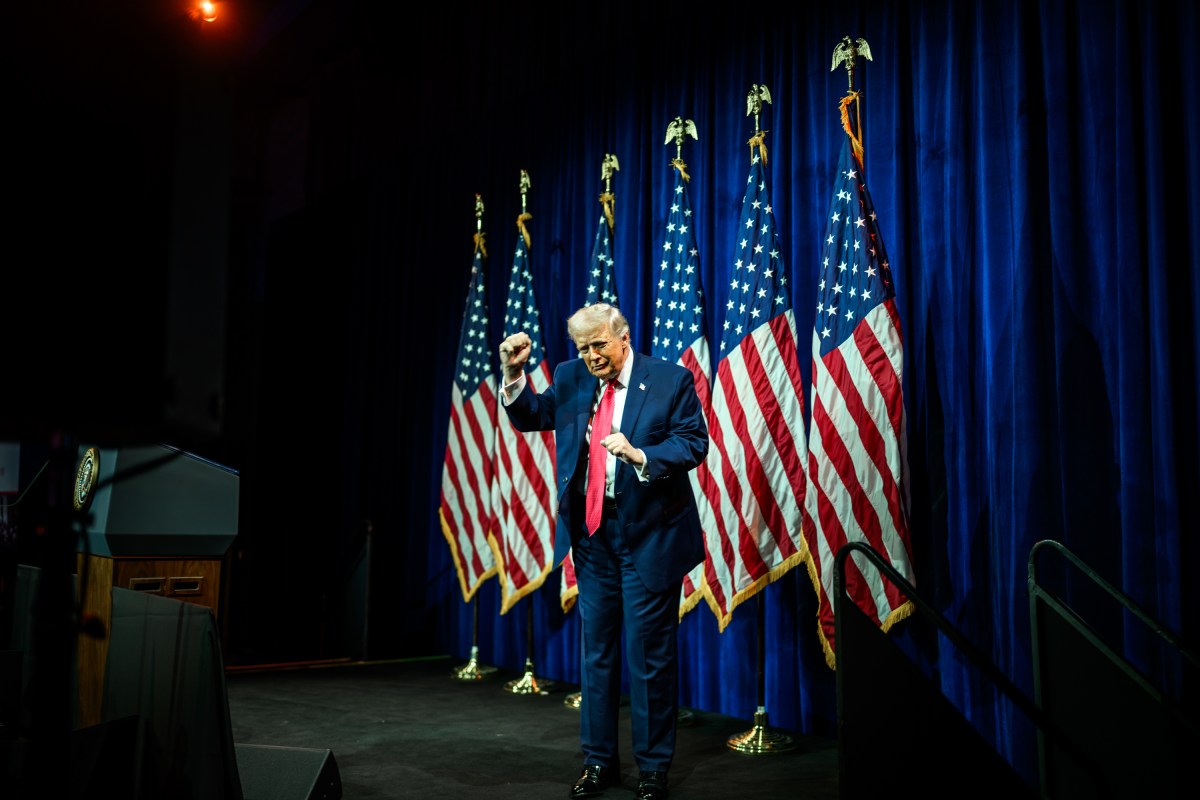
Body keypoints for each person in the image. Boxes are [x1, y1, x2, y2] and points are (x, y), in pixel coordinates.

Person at [498, 303, 708, 800]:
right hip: (591, 537)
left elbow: (693, 442)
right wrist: (513, 374)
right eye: (582, 348)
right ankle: (599, 763)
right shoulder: (571, 377)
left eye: (599, 346)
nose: (591, 356)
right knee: (596, 655)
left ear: (623, 338)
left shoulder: (668, 379)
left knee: (649, 657)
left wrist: (641, 456)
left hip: (648, 536)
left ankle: (653, 769)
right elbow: (533, 416)